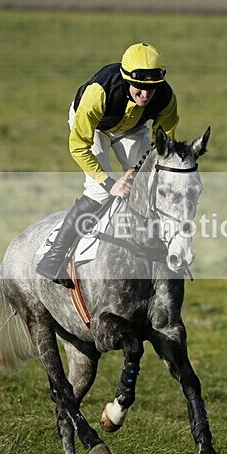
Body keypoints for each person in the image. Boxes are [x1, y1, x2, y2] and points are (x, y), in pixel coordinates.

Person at [36, 43, 179, 288]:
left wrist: (138, 170)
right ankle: (53, 258)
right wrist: (110, 183)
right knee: (98, 191)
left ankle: (156, 251)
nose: (145, 95)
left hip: (132, 129)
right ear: (126, 80)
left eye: (151, 89)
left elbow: (163, 145)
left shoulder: (166, 98)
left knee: (149, 184)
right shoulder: (98, 93)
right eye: (139, 88)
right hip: (95, 130)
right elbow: (79, 145)